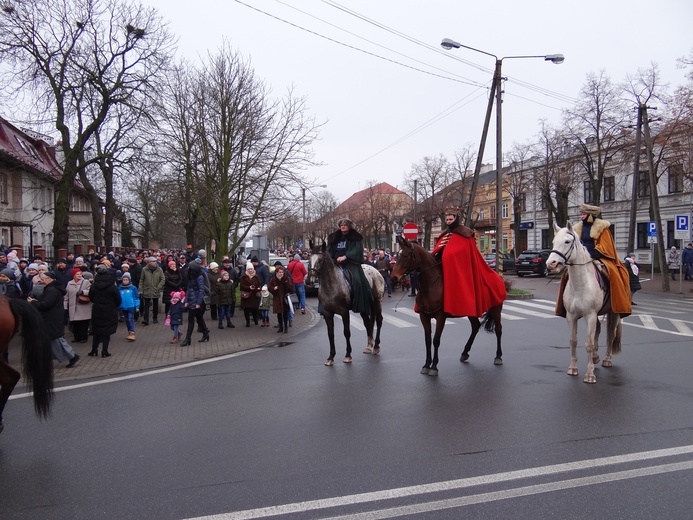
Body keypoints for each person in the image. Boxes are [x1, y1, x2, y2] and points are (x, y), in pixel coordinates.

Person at [556, 203, 631, 318]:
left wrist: (593, 254)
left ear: (590, 215)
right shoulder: (576, 228)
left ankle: (615, 300)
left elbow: (605, 246)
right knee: (566, 275)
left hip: (598, 257)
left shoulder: (602, 227)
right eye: (581, 214)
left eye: (584, 214)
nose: (581, 216)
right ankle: (564, 304)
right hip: (581, 259)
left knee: (612, 274)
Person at [431, 208, 506, 317]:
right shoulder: (444, 234)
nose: (448, 222)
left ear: (456, 219)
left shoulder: (465, 234)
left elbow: (465, 254)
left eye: (450, 219)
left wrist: (450, 258)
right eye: (447, 219)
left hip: (461, 269)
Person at [28, 270, 80, 368]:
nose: (41, 280)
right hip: (53, 318)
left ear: (49, 279)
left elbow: (45, 304)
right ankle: (47, 359)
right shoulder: (52, 288)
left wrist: (33, 302)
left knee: (57, 340)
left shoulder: (51, 290)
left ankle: (73, 356)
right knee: (53, 340)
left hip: (51, 319)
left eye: (43, 279)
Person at [327, 218, 373, 313]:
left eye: (345, 224)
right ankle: (325, 307)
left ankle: (360, 304)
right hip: (336, 263)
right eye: (341, 225)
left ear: (349, 226)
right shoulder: (334, 237)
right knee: (325, 281)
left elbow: (356, 250)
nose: (343, 226)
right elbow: (329, 249)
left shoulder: (355, 237)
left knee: (357, 281)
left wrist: (346, 256)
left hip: (351, 264)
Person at [88, 263, 121, 357]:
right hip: (109, 310)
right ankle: (104, 351)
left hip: (97, 309)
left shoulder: (94, 286)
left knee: (96, 330)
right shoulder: (112, 286)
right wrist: (114, 306)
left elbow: (91, 297)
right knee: (107, 332)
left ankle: (94, 350)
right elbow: (118, 299)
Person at [180, 260, 210, 346]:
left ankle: (188, 338)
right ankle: (205, 333)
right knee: (199, 317)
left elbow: (201, 290)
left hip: (196, 301)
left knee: (191, 320)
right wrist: (186, 300)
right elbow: (189, 289)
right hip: (192, 300)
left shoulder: (199, 277)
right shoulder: (190, 276)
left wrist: (198, 303)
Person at [64, 269, 91, 343]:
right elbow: (66, 295)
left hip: (83, 306)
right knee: (75, 324)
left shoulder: (86, 282)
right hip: (73, 306)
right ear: (73, 275)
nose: (79, 275)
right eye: (77, 274)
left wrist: (83, 292)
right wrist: (65, 306)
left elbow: (91, 291)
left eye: (80, 274)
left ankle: (83, 338)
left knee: (83, 323)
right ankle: (76, 338)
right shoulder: (69, 283)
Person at [139, 256, 164, 325]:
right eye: (153, 261)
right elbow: (141, 279)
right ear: (149, 262)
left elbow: (162, 279)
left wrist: (158, 287)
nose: (155, 262)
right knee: (146, 305)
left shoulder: (159, 269)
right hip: (147, 289)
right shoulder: (144, 269)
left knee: (155, 305)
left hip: (155, 289)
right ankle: (146, 319)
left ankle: (155, 318)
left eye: (155, 261)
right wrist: (140, 289)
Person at [268, 265, 294, 333]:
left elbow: (291, 288)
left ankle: (286, 327)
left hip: (285, 298)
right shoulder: (273, 279)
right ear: (276, 273)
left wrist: (287, 286)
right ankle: (280, 327)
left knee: (285, 313)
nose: (281, 273)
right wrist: (274, 289)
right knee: (279, 314)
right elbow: (269, 288)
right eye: (279, 272)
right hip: (277, 298)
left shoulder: (286, 278)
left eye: (282, 272)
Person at [118, 272, 140, 341]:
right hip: (123, 307)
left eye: (126, 280)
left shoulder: (133, 288)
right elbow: (118, 298)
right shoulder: (119, 288)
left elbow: (136, 297)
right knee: (127, 320)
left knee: (130, 319)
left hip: (131, 306)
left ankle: (132, 332)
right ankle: (129, 332)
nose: (125, 281)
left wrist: (137, 306)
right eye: (124, 280)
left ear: (129, 280)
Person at [239, 262, 261, 327]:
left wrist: (258, 288)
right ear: (246, 270)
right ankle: (247, 321)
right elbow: (241, 286)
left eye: (251, 269)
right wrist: (249, 287)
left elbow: (259, 284)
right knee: (246, 310)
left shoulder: (256, 277)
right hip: (246, 296)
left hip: (254, 295)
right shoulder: (243, 277)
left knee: (255, 309)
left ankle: (255, 319)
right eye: (249, 269)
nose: (250, 270)